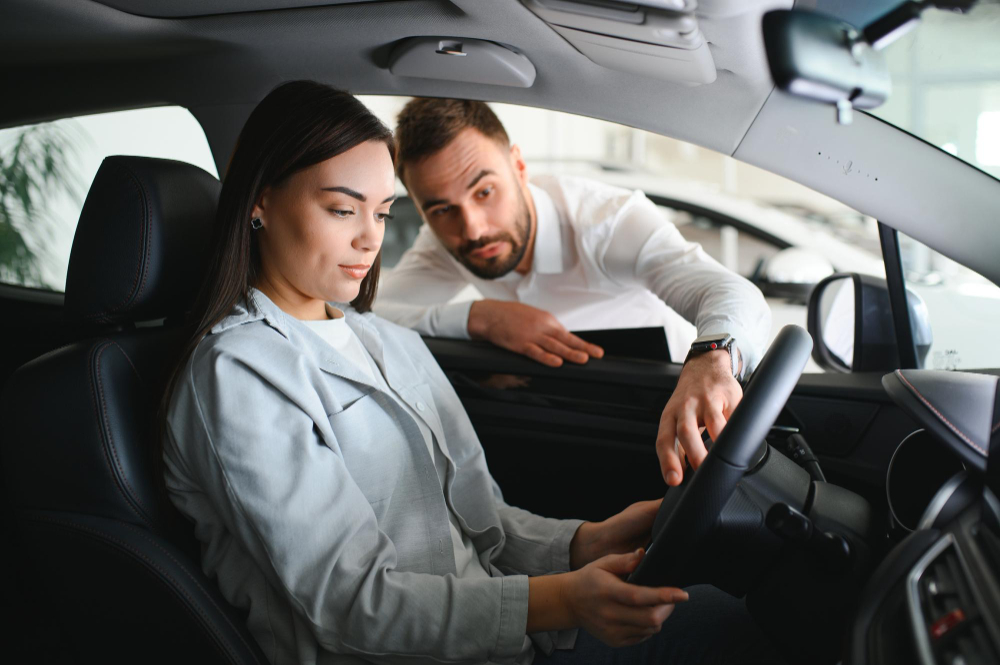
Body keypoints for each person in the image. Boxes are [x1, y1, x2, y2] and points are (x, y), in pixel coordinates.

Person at [160, 80, 779, 665]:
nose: (369, 240)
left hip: (495, 638)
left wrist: (585, 542)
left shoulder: (383, 338)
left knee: (739, 618)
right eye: (343, 210)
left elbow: (483, 522)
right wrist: (562, 600)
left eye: (380, 213)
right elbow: (348, 605)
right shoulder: (238, 372)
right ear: (261, 199)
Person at [376, 99, 772, 487]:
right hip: (549, 424)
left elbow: (730, 291)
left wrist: (712, 360)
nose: (473, 228)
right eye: (441, 210)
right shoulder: (444, 241)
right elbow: (361, 313)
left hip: (666, 418)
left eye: (484, 192)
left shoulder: (608, 222)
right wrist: (477, 317)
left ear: (518, 165)